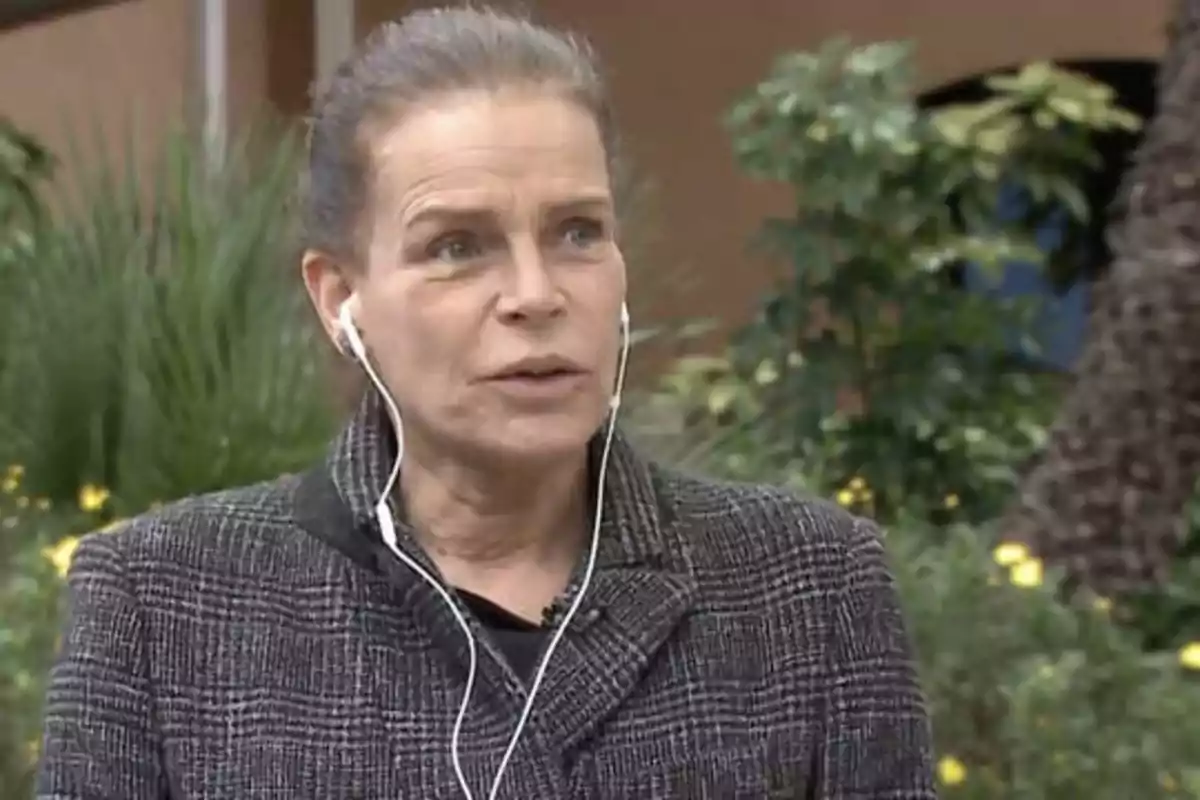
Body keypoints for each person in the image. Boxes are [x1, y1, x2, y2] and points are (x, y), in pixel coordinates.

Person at [36, 6, 936, 799]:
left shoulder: (808, 585)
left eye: (577, 232)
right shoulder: (163, 604)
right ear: (340, 299)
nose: (536, 295)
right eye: (459, 246)